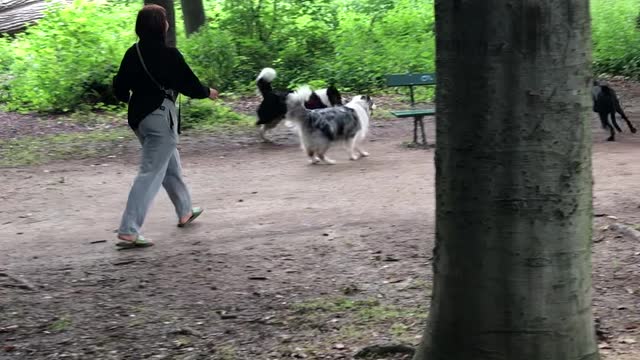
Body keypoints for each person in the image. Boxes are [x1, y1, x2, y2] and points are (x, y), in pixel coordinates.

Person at [112, 4, 218, 248]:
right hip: (161, 119)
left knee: (169, 166)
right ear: (160, 26)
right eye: (166, 19)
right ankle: (129, 229)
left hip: (139, 119)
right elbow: (189, 84)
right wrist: (208, 92)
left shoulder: (132, 53)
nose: (168, 23)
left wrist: (136, 99)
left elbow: (119, 89)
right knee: (150, 173)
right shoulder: (169, 55)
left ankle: (185, 210)